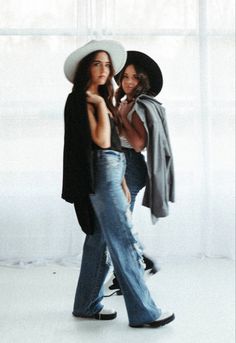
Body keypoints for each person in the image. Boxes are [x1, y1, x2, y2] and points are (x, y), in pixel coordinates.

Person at [61, 40, 175, 328]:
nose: (104, 70)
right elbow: (101, 142)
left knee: (101, 239)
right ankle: (144, 313)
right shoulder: (87, 98)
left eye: (107, 64)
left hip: (115, 168)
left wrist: (122, 179)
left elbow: (121, 145)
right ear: (87, 67)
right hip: (104, 168)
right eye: (97, 63)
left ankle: (86, 303)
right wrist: (103, 106)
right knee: (122, 239)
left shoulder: (108, 99)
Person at [104, 50, 175, 296]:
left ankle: (139, 265)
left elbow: (138, 144)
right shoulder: (124, 101)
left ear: (143, 80)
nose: (129, 81)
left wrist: (122, 117)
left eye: (135, 77)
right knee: (120, 221)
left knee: (121, 222)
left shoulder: (138, 105)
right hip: (120, 165)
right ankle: (126, 273)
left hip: (131, 166)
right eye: (125, 77)